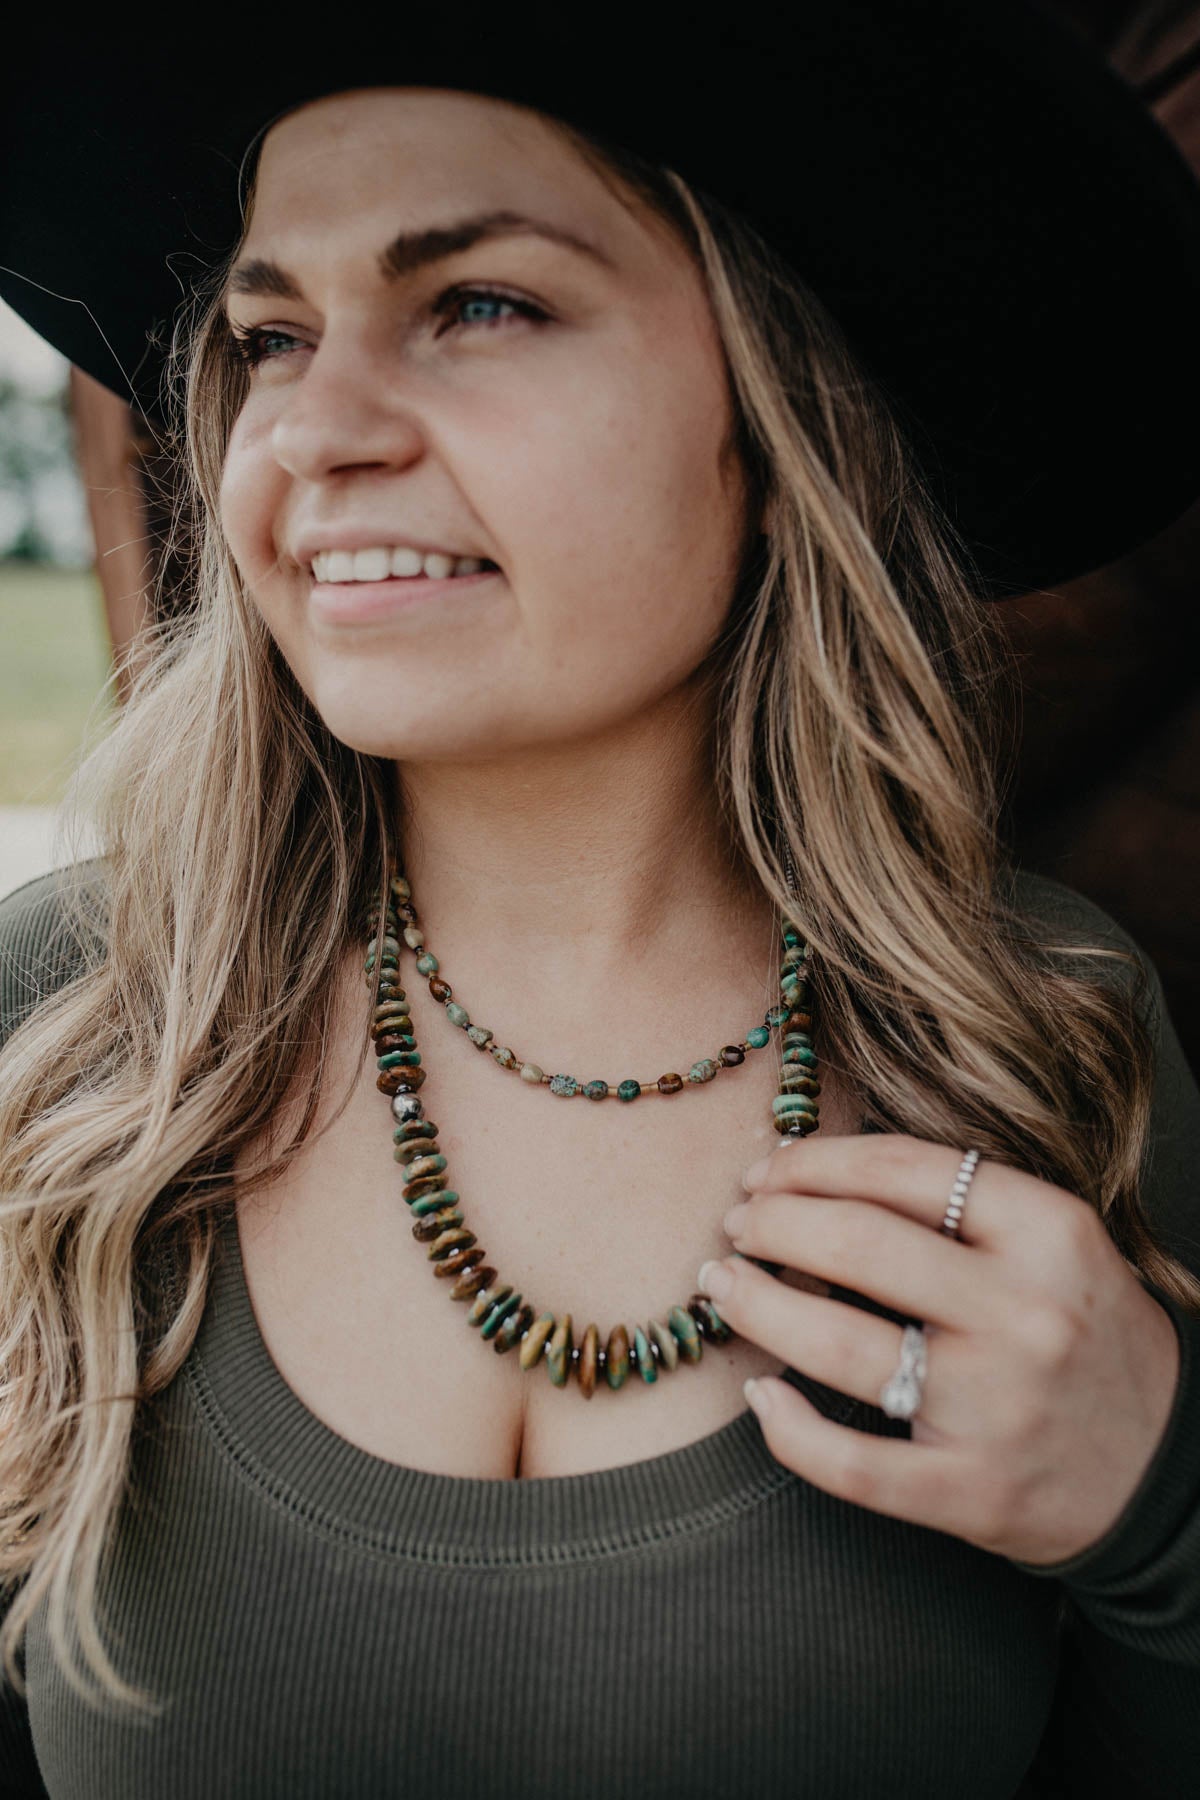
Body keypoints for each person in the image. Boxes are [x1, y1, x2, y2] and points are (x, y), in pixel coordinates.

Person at [2, 14, 1200, 1797]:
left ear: (782, 406)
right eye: (272, 335)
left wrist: (1160, 1517)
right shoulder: (71, 1041)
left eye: (478, 302)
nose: (316, 428)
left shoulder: (1052, 1040)